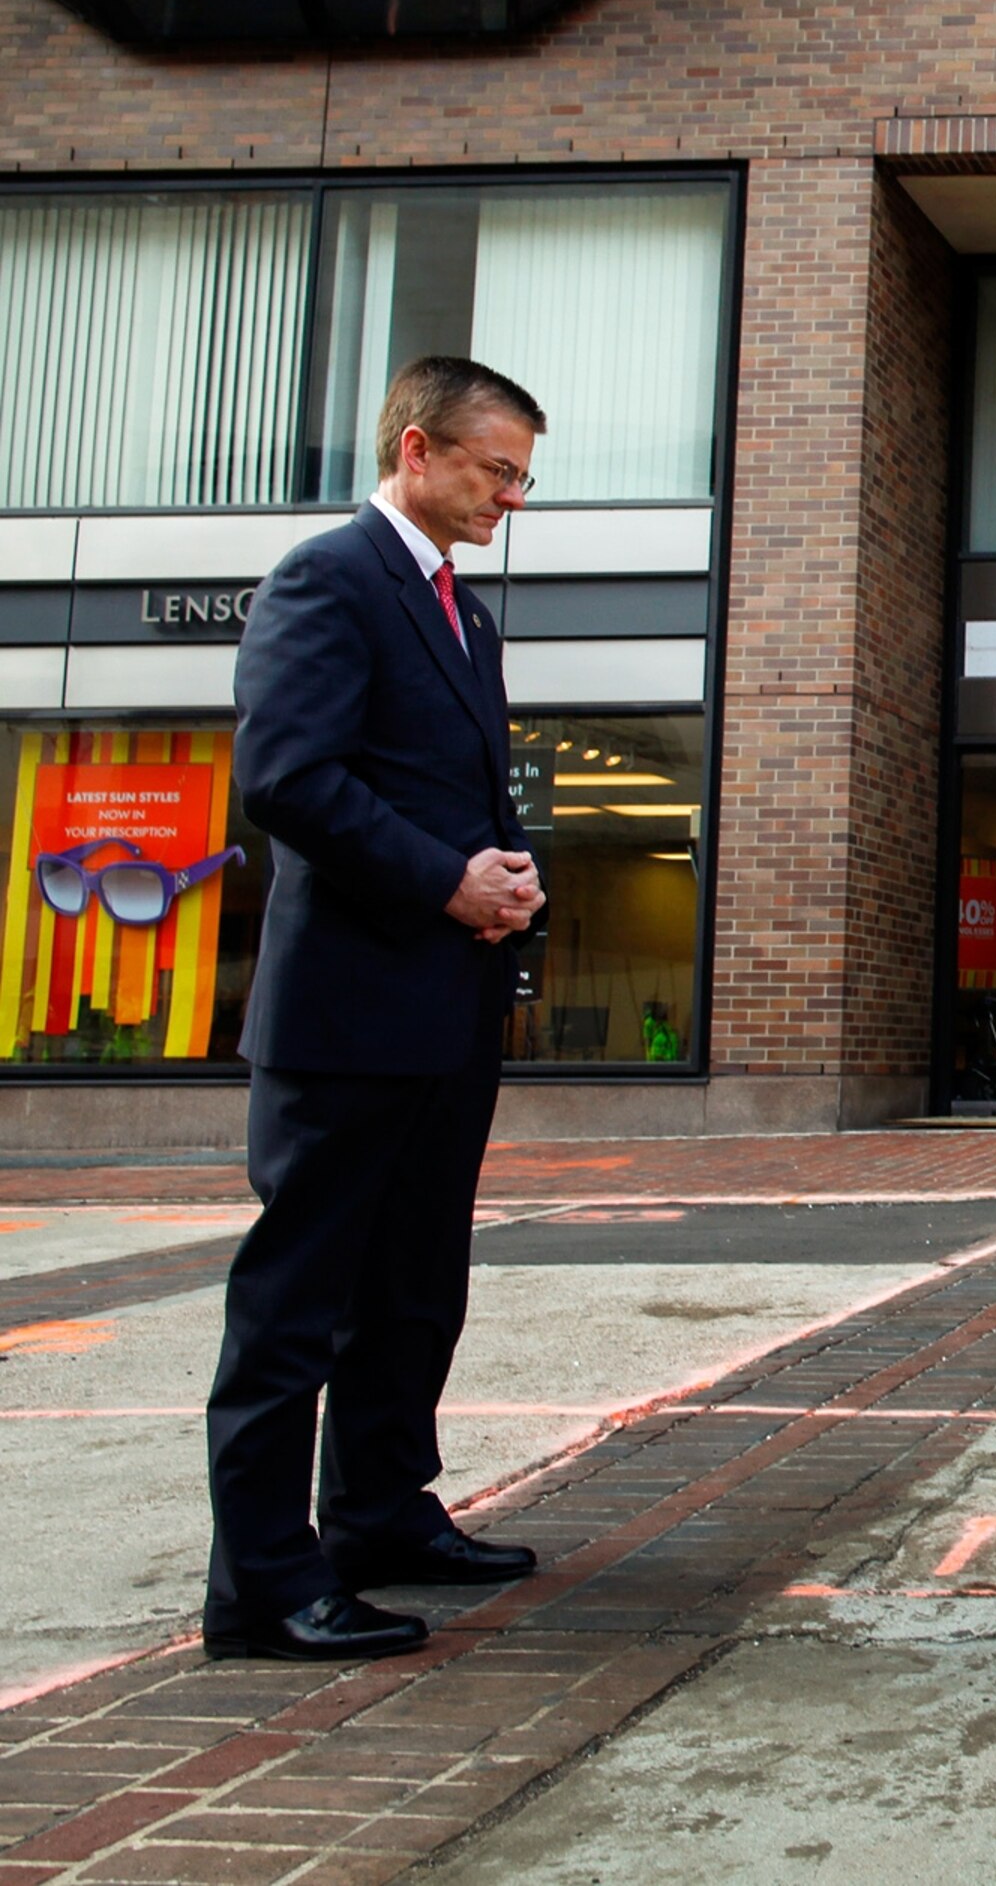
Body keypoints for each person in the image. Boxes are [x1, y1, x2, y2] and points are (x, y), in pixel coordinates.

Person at [203, 356, 550, 1662]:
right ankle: (260, 1583)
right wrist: (446, 878)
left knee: (414, 1285)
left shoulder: (464, 610)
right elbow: (289, 779)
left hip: (445, 1006)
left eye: (522, 475)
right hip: (344, 1015)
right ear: (417, 449)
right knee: (297, 1301)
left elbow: (464, 790)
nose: (511, 495)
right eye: (494, 468)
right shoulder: (326, 579)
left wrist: (511, 875)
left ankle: (381, 1513)